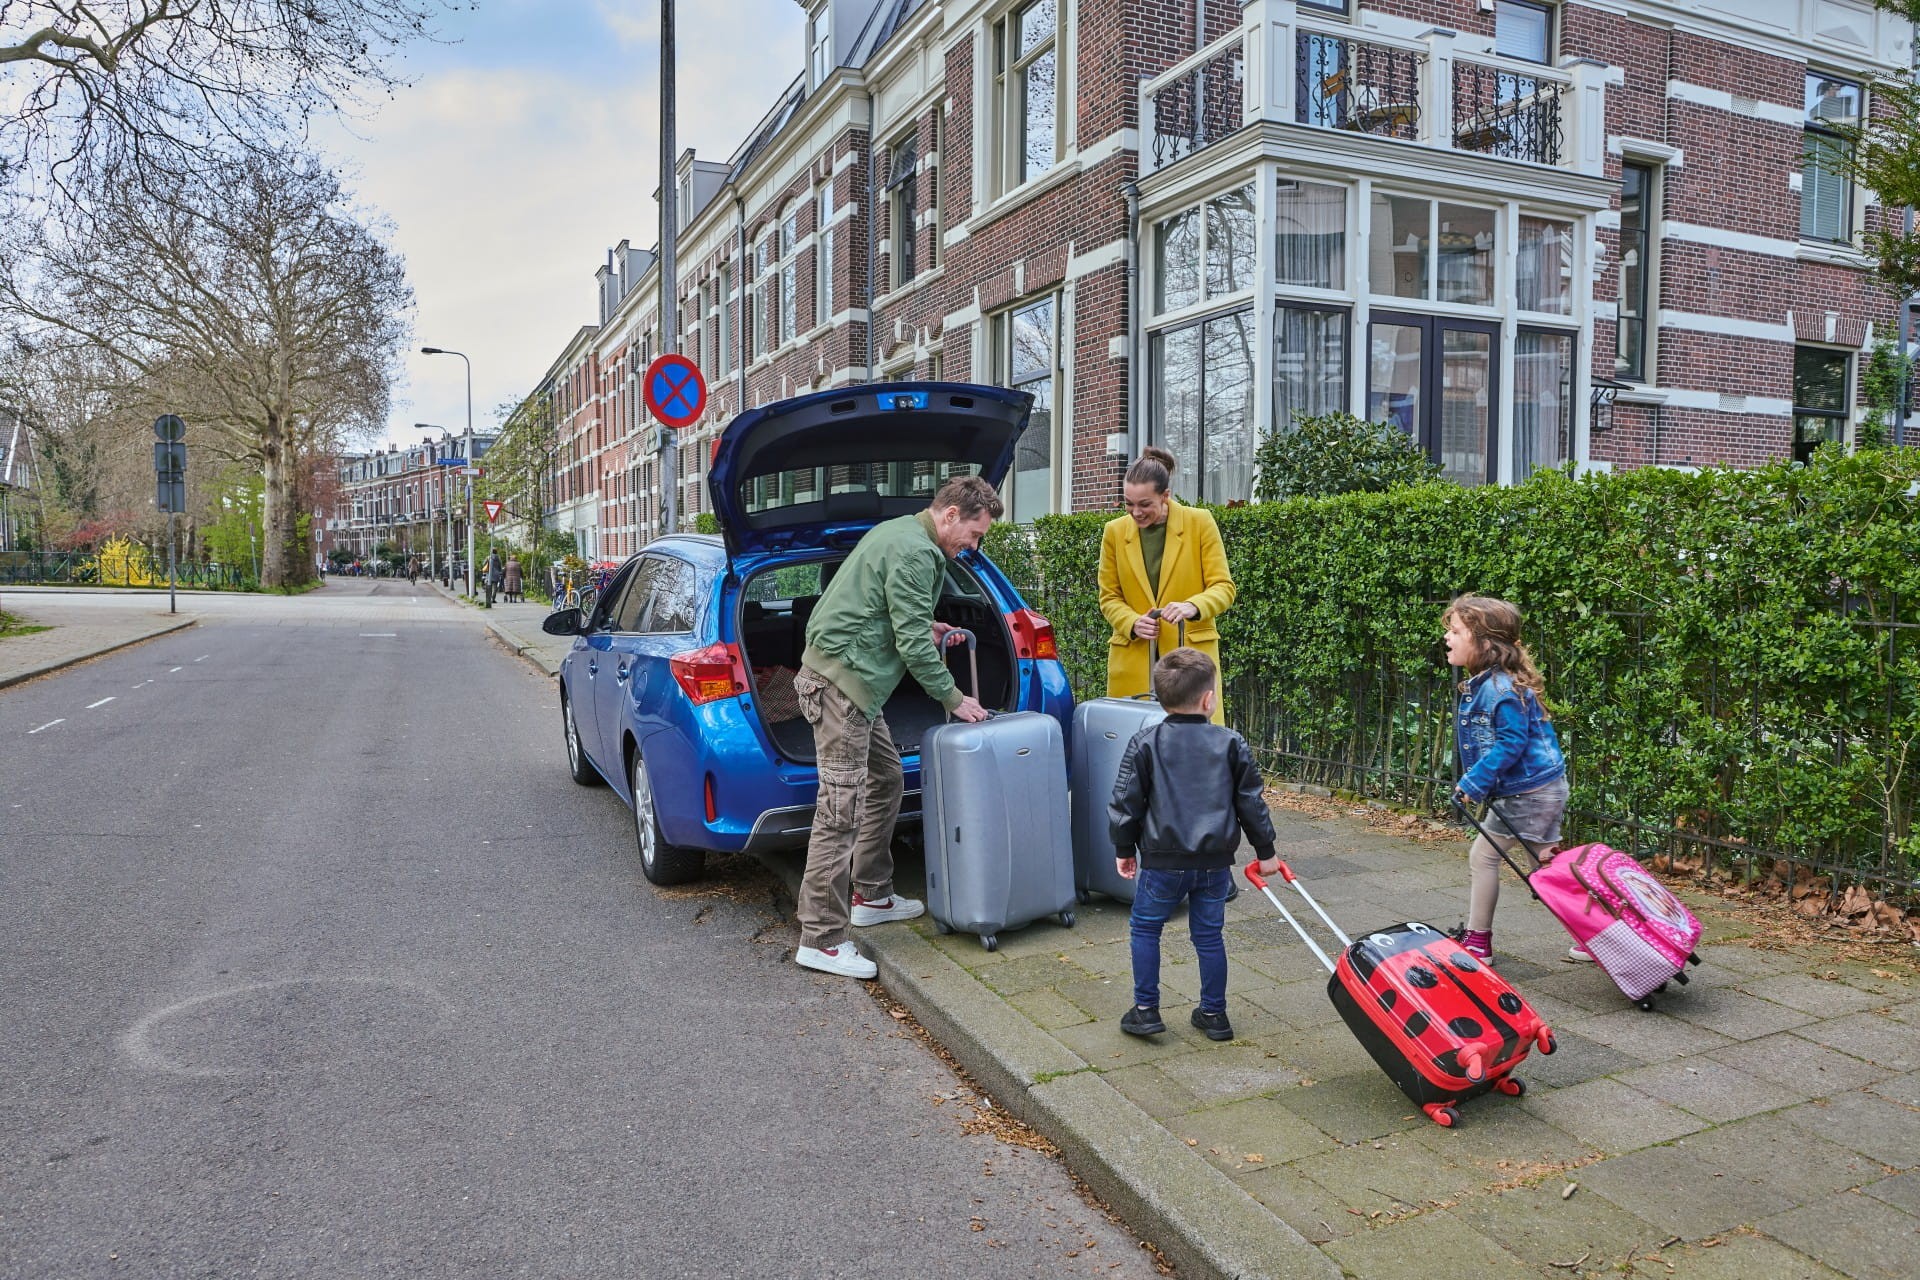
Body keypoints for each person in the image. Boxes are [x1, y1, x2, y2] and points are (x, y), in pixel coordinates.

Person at [791, 475, 999, 979]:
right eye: (974, 534)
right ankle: (820, 938)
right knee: (839, 812)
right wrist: (955, 698)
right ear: (950, 514)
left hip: (856, 687)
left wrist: (931, 625)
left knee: (885, 779)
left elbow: (883, 609)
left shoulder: (902, 533)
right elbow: (909, 642)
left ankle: (873, 895)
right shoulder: (917, 553)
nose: (974, 546)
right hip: (844, 687)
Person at [1108, 647, 1279, 1041]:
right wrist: (1266, 852)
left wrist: (1123, 849)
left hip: (1161, 861)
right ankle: (1214, 1015)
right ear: (1208, 699)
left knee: (1146, 929)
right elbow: (1250, 801)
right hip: (1214, 863)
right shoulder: (1230, 742)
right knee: (1208, 935)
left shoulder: (1145, 743)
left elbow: (1125, 803)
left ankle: (1147, 1011)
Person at [1445, 595, 1570, 965]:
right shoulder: (1494, 683)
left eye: (1455, 632)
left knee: (1483, 857)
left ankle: (1478, 942)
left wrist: (1472, 781)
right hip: (1540, 789)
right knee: (1545, 869)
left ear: (1484, 643)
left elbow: (1511, 742)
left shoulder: (1499, 689)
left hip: (1528, 793)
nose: (1447, 638)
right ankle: (1602, 936)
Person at [1097, 447, 1237, 724]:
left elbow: (1223, 587)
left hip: (1189, 662)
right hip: (1134, 661)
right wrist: (1132, 622)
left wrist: (1192, 606)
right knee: (1134, 747)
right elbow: (1109, 597)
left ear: (1165, 496)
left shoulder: (1200, 522)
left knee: (1195, 749)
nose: (1136, 512)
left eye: (1145, 504)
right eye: (1128, 503)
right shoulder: (1113, 532)